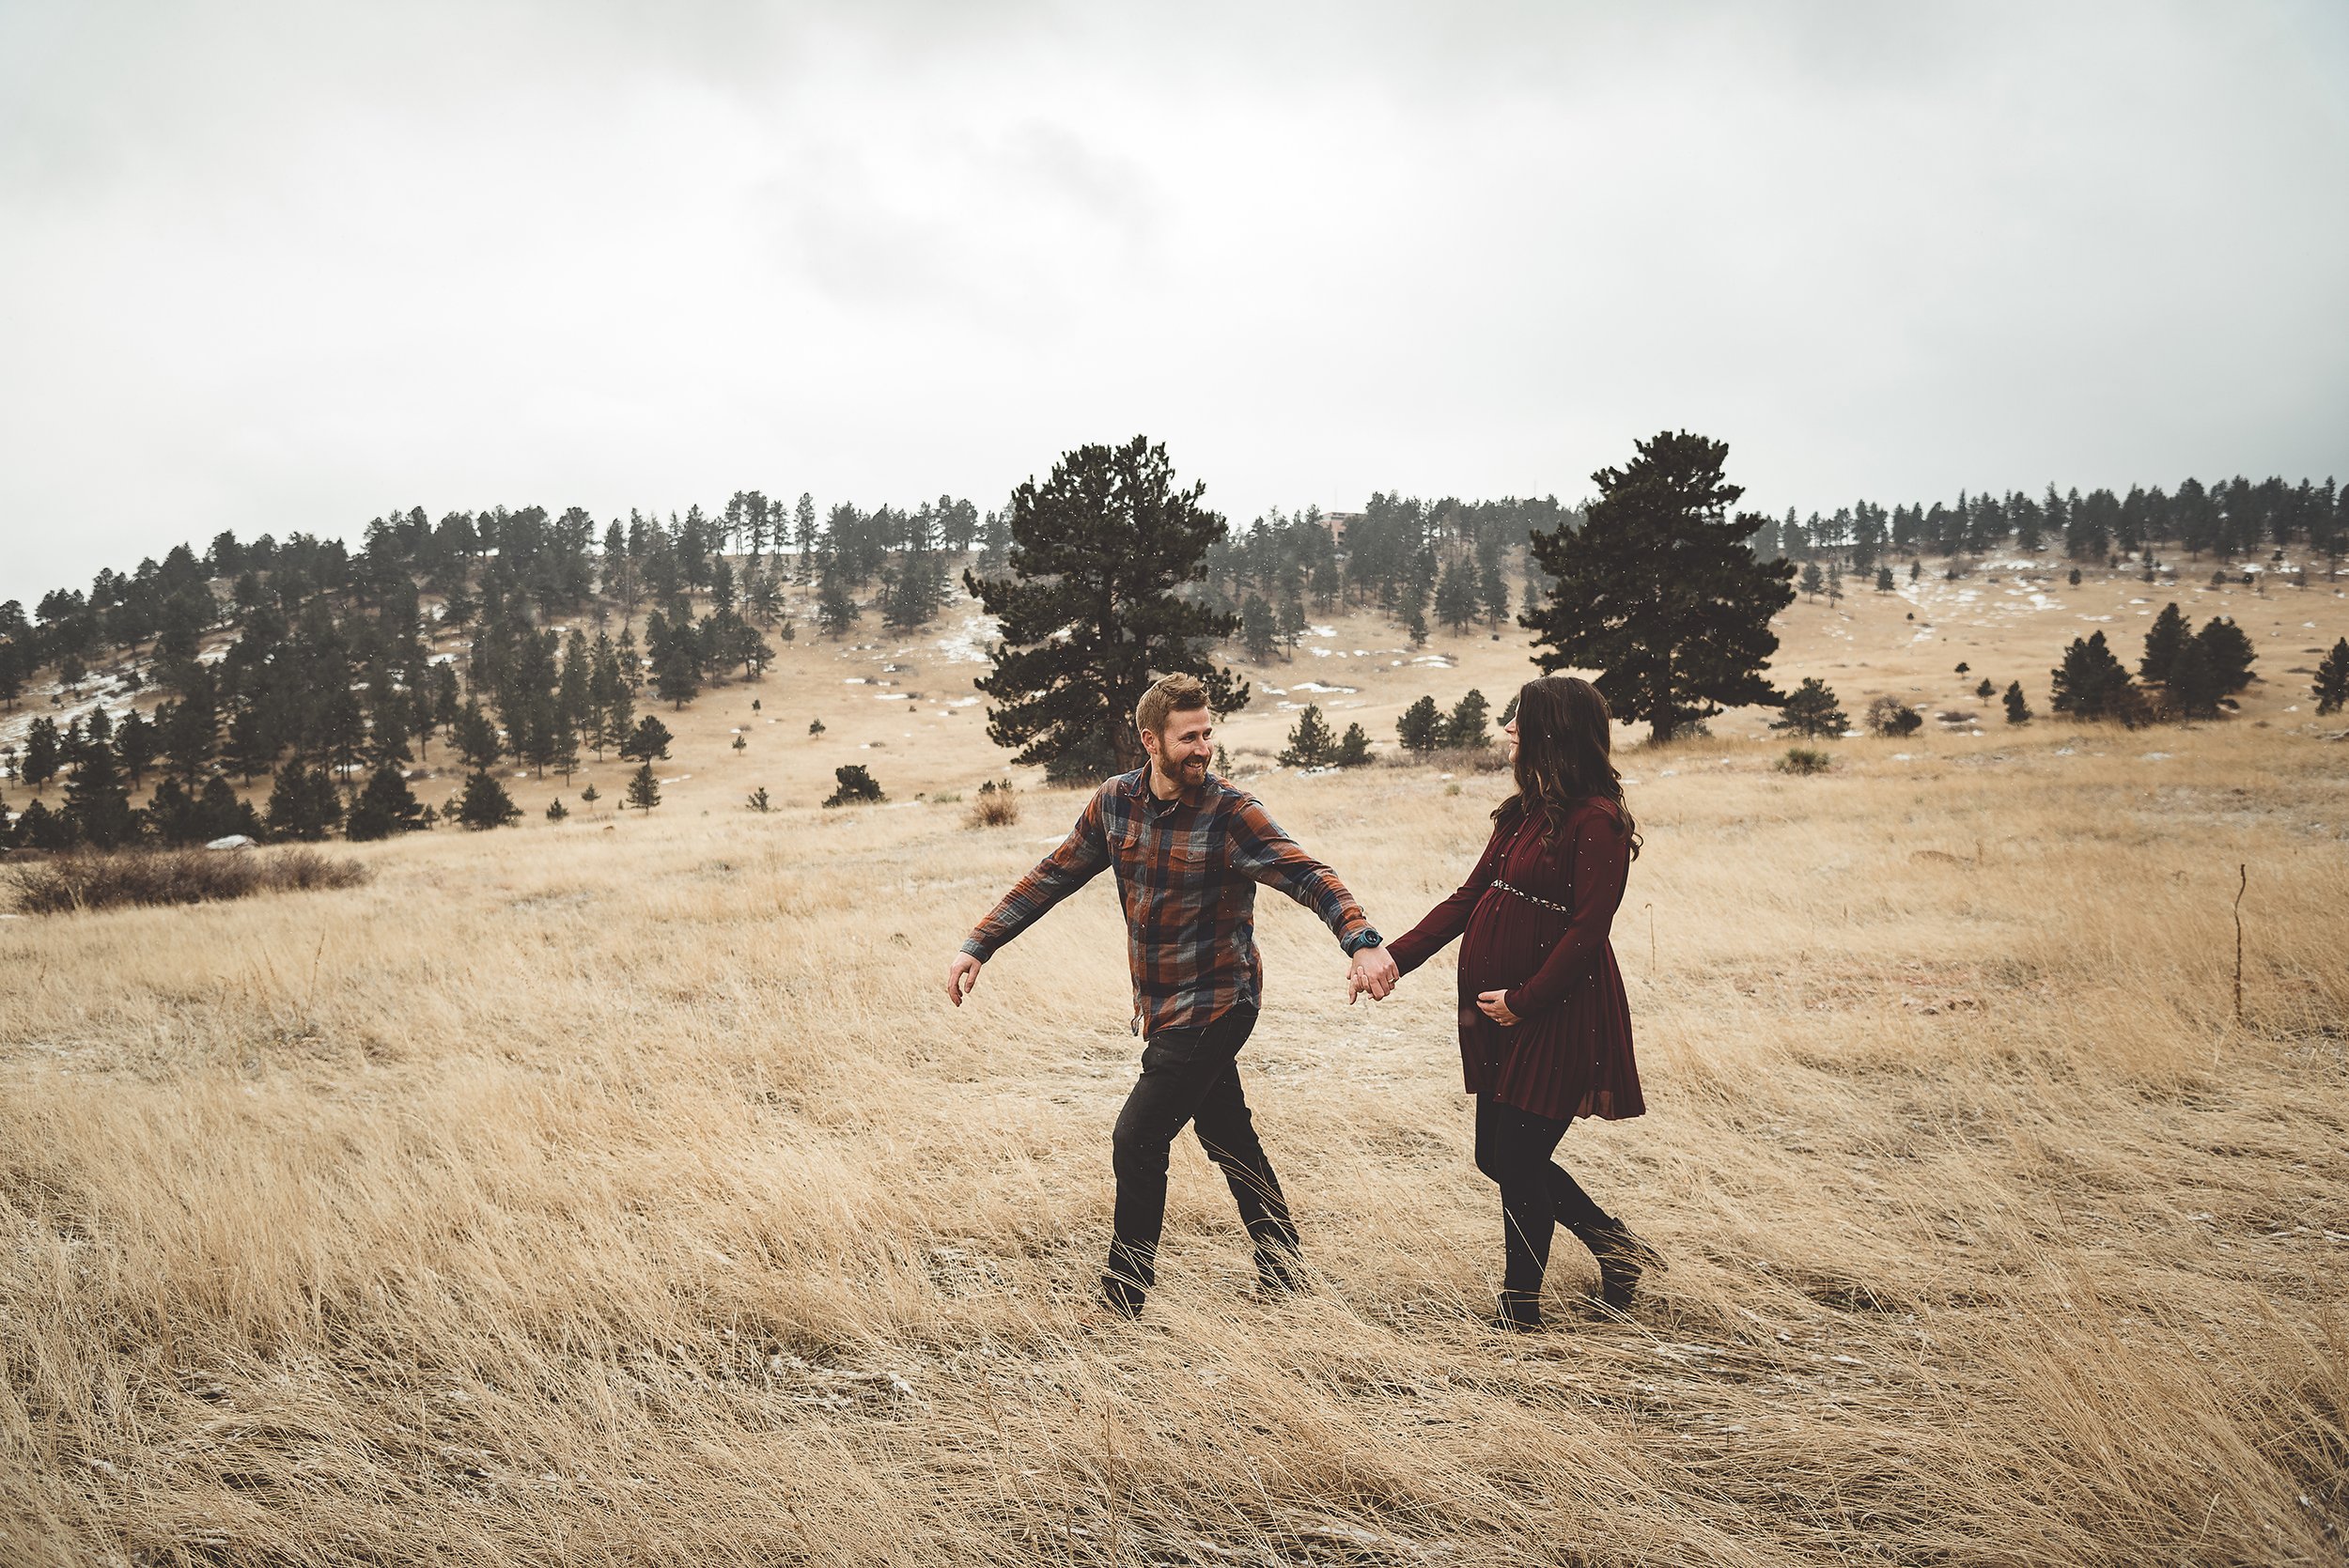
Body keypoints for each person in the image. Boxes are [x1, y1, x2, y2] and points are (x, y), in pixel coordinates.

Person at [945, 673, 1399, 1318]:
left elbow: (1308, 874)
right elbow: (1054, 873)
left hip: (1221, 1000)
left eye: (1207, 733)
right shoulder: (1115, 804)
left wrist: (1361, 939)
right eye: (1189, 737)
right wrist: (980, 942)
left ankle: (1123, 1296)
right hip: (1161, 1007)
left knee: (1137, 1134)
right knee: (1226, 1133)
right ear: (1149, 740)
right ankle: (1284, 1264)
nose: (1203, 748)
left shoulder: (1231, 812)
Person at [1377, 675, 1659, 1330]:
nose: (1507, 727)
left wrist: (1526, 1000)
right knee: (1495, 1156)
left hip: (1557, 1012)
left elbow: (1589, 930)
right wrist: (1396, 957)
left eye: (1519, 717)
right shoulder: (1523, 813)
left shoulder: (1598, 821)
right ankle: (1616, 1245)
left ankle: (1520, 1312)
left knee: (1521, 1159)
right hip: (1501, 1014)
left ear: (1553, 730)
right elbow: (1467, 897)